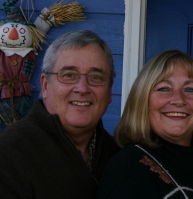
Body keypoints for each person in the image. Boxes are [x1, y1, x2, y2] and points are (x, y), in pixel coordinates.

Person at [98, 50, 193, 199]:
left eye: (190, 89)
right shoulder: (129, 168)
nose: (179, 100)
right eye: (164, 89)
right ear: (142, 100)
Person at [0, 30, 120, 199]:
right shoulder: (8, 155)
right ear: (44, 85)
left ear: (109, 92)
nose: (82, 88)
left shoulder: (119, 158)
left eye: (96, 77)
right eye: (69, 75)